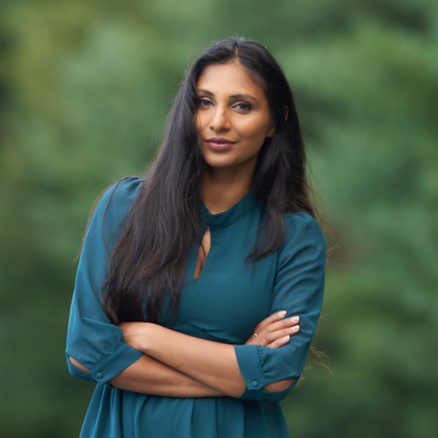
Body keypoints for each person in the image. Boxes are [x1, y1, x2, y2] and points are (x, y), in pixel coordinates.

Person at [65, 36, 327, 437]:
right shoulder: (123, 208)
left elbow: (276, 376)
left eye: (242, 105)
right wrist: (239, 366)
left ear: (276, 121)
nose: (218, 121)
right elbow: (86, 354)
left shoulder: (295, 236)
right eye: (204, 102)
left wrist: (145, 335)